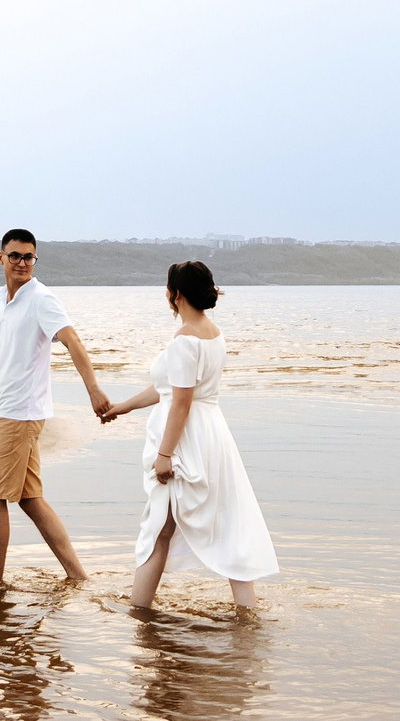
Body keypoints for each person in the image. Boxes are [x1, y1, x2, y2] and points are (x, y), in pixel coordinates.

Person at [98, 259, 278, 609]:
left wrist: (164, 454)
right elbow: (168, 389)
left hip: (186, 440)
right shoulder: (213, 333)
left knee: (159, 529)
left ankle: (139, 614)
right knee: (227, 525)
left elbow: (181, 403)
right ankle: (248, 614)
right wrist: (124, 406)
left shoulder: (184, 339)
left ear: (175, 294)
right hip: (213, 435)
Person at [0, 228, 113, 584]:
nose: (22, 263)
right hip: (2, 412)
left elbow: (72, 340)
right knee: (29, 499)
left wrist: (93, 390)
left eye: (29, 257)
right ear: (1, 258)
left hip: (20, 414)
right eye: (15, 256)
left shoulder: (42, 299)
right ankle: (78, 577)